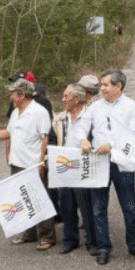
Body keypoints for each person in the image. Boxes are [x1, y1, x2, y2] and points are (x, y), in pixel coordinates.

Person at [0, 78, 56, 249]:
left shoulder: (39, 112)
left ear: (22, 95)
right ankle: (29, 234)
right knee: (23, 200)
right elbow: (7, 133)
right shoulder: (16, 113)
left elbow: (45, 138)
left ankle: (47, 236)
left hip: (32, 164)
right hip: (17, 163)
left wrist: (41, 163)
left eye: (13, 94)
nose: (10, 97)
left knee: (39, 198)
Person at [79, 70, 135, 265]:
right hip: (99, 162)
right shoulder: (95, 107)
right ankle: (103, 246)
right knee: (98, 207)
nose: (101, 88)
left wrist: (111, 144)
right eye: (101, 85)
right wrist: (83, 138)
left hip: (123, 162)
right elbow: (82, 125)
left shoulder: (132, 107)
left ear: (118, 87)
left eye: (105, 85)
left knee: (129, 206)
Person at [52, 84, 98, 255]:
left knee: (86, 206)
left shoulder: (90, 116)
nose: (63, 100)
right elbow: (52, 139)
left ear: (76, 99)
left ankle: (92, 242)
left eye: (66, 96)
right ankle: (70, 240)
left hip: (83, 167)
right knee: (66, 206)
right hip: (64, 167)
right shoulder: (59, 118)